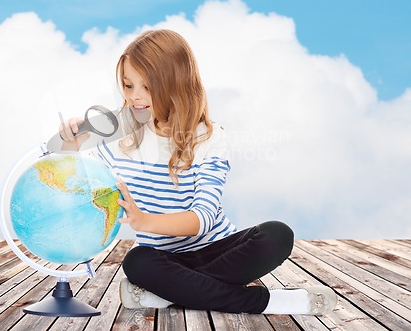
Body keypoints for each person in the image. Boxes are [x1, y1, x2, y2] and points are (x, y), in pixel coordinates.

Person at [59, 29, 337, 315]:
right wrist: (72, 144)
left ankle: (170, 294)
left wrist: (144, 222)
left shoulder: (211, 139)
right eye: (129, 86)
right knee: (137, 261)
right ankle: (268, 302)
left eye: (147, 87)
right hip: (165, 261)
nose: (135, 97)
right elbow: (76, 182)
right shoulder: (123, 140)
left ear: (175, 83)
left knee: (277, 235)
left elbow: (201, 220)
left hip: (219, 250)